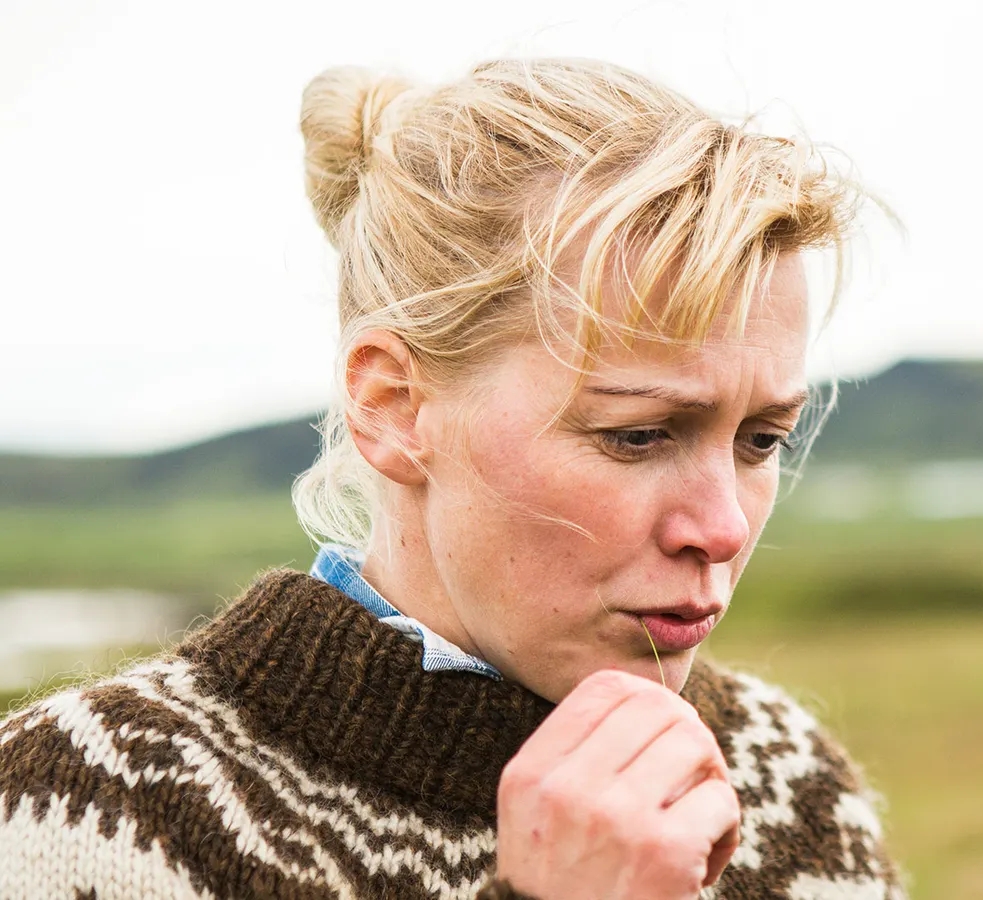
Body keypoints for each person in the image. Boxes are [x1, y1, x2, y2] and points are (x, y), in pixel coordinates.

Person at [0, 58, 903, 899]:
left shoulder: (793, 788)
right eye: (637, 435)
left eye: (761, 440)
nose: (724, 526)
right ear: (394, 406)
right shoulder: (83, 811)